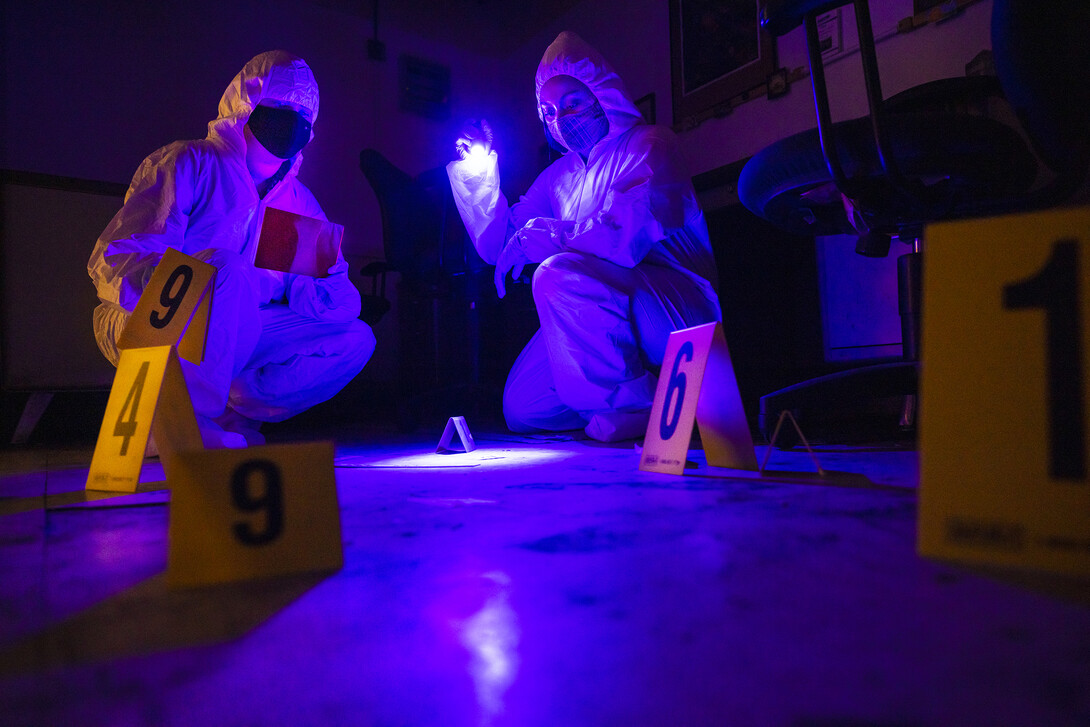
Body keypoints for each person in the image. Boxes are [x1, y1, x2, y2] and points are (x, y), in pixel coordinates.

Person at [88, 50, 374, 448]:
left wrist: (328, 266)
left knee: (355, 339)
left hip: (240, 337)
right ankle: (180, 420)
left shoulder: (297, 202)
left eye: (302, 116)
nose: (289, 123)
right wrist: (206, 291)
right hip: (155, 327)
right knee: (227, 269)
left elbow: (338, 307)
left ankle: (231, 416)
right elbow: (117, 260)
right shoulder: (189, 163)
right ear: (247, 103)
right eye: (278, 108)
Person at [446, 32, 721, 442]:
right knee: (524, 407)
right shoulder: (558, 178)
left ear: (602, 96)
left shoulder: (650, 144)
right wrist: (480, 169)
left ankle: (637, 412)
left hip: (675, 314)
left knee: (556, 272)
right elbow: (501, 245)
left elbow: (623, 237)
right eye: (549, 112)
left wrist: (548, 238)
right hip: (600, 312)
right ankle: (629, 393)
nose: (561, 119)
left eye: (572, 104)